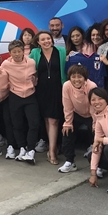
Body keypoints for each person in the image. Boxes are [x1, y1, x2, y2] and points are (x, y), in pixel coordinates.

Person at [29, 31, 66, 165]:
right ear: (38, 42)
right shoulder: (34, 53)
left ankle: (51, 151)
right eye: (42, 39)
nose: (46, 41)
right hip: (41, 91)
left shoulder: (61, 51)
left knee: (54, 120)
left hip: (57, 89)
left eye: (48, 38)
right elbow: (23, 64)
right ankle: (52, 146)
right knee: (46, 119)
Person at [1, 40, 39, 163]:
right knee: (17, 124)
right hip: (15, 95)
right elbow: (0, 76)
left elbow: (36, 76)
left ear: (23, 51)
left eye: (19, 51)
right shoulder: (6, 64)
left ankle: (31, 149)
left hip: (30, 95)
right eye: (13, 52)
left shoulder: (31, 62)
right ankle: (22, 147)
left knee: (34, 123)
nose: (16, 54)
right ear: (10, 53)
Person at [58, 65, 97, 173]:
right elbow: (67, 105)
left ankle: (98, 166)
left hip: (92, 114)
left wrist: (95, 123)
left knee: (97, 135)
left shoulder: (91, 86)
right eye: (73, 77)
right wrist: (68, 122)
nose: (76, 79)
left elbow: (94, 106)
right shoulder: (66, 86)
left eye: (79, 77)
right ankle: (69, 161)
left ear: (85, 78)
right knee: (67, 131)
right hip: (77, 113)